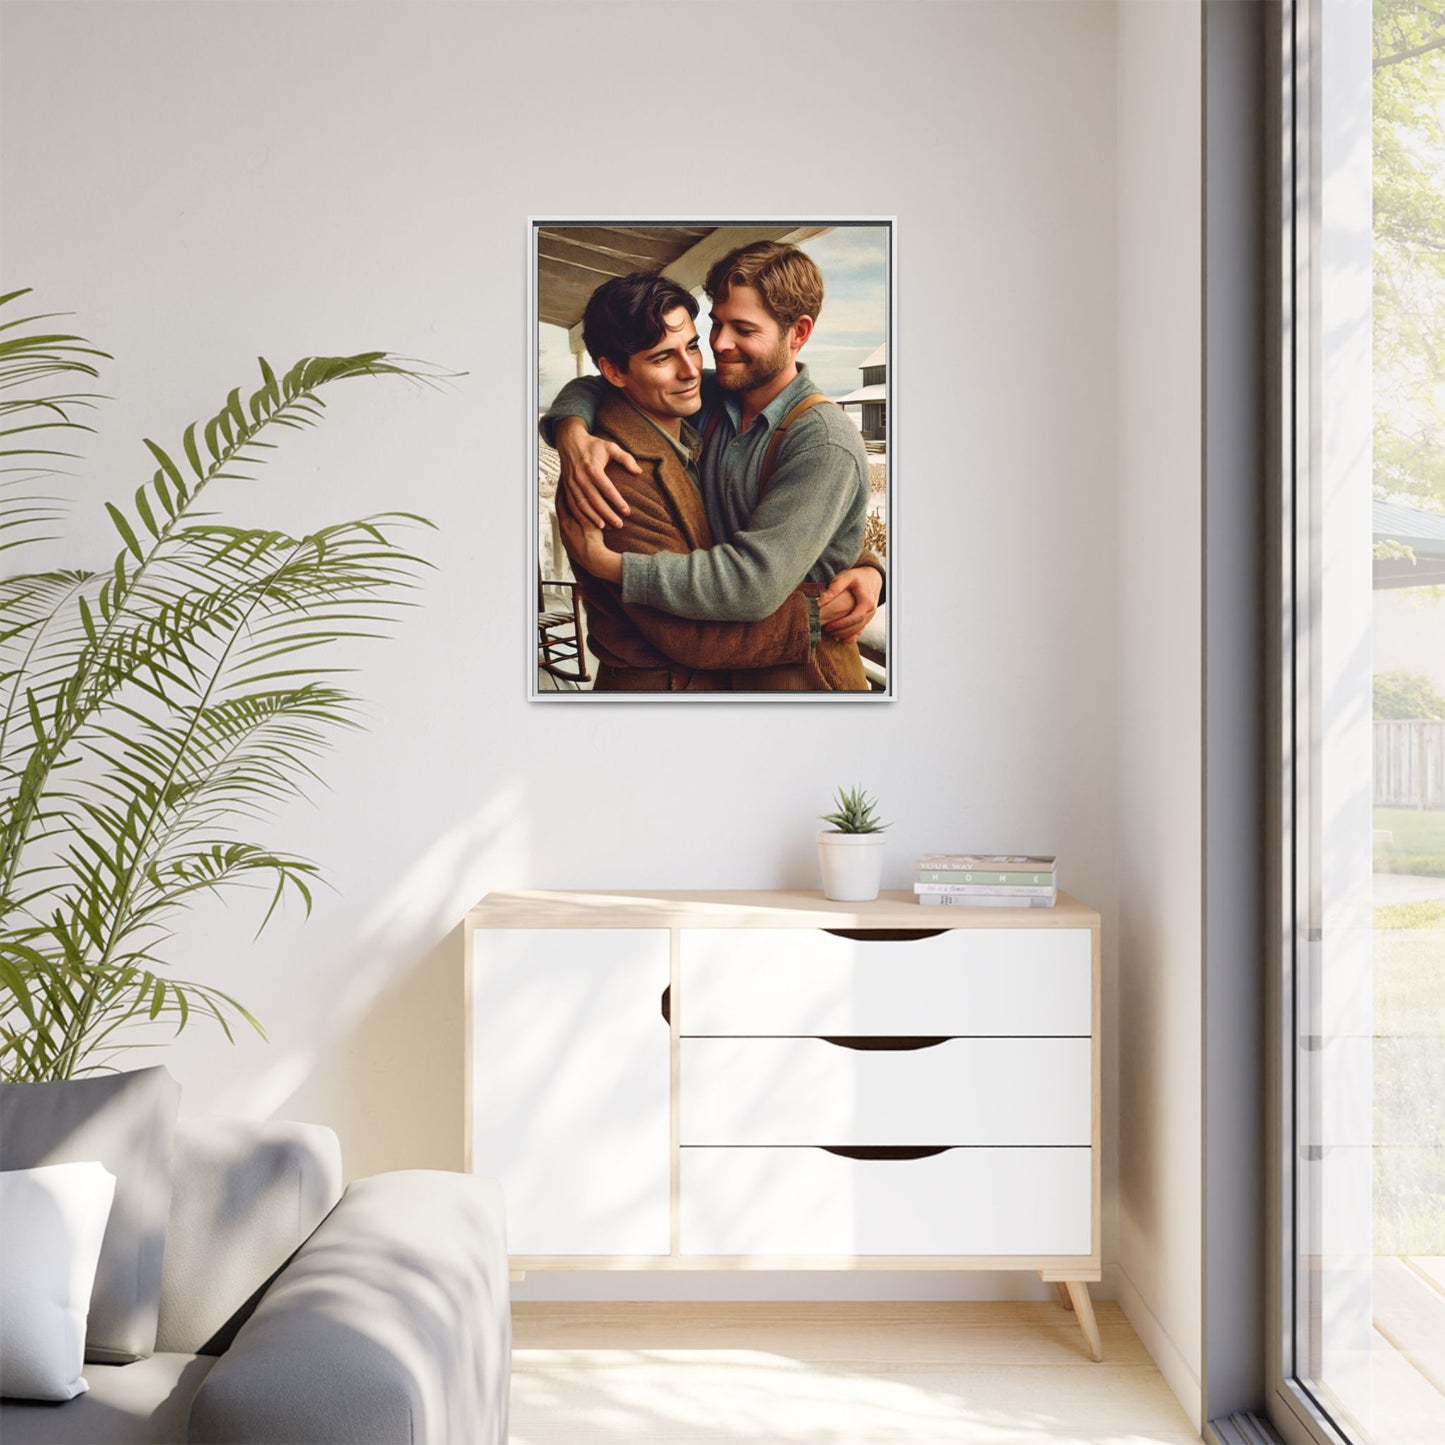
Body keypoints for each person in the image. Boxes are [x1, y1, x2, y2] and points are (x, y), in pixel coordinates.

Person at [545, 241, 883, 683]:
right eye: (717, 324)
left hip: (803, 675)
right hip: (725, 673)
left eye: (743, 329)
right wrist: (570, 431)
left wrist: (869, 566)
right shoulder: (714, 397)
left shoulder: (822, 441)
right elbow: (602, 384)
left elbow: (752, 584)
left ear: (798, 333)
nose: (720, 345)